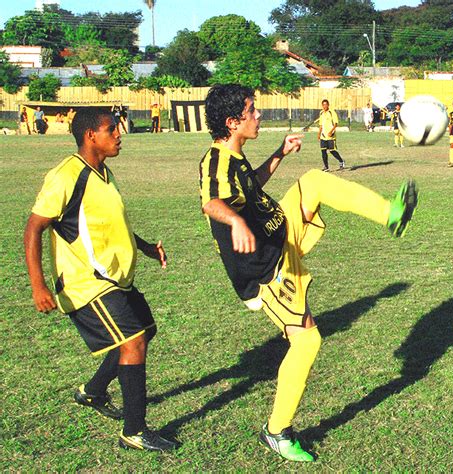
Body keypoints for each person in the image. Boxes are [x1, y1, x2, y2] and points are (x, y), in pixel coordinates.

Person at [199, 84, 419, 463]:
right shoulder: (215, 161)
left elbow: (249, 188)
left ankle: (390, 214)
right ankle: (277, 431)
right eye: (251, 111)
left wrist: (279, 155)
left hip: (280, 232)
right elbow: (211, 202)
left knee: (314, 181)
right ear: (232, 122)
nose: (258, 116)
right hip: (266, 271)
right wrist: (234, 222)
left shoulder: (235, 159)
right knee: (307, 341)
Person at [24, 107, 175, 452]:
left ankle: (92, 391)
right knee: (133, 340)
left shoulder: (102, 172)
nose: (119, 133)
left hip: (113, 277)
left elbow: (108, 225)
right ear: (91, 135)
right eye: (112, 129)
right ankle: (134, 431)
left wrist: (147, 248)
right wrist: (38, 285)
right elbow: (34, 226)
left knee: (145, 331)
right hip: (85, 283)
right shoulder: (67, 175)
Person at [318, 99, 345, 171]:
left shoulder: (332, 112)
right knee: (323, 151)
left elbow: (336, 124)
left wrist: (331, 131)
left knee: (332, 151)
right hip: (323, 136)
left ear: (328, 105)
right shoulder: (321, 113)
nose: (324, 106)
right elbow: (321, 125)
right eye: (323, 105)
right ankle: (326, 167)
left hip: (330, 136)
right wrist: (319, 134)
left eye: (326, 104)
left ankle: (341, 161)